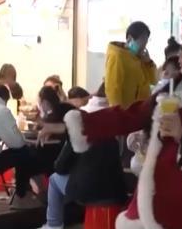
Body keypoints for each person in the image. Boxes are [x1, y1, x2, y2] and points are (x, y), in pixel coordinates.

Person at [40, 20, 182, 229]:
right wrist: (71, 125)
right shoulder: (173, 92)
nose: (180, 55)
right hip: (153, 206)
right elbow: (131, 115)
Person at [40, 90, 126, 229]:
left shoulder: (77, 129)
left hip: (91, 192)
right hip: (117, 191)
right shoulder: (110, 125)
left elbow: (60, 167)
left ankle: (53, 224)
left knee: (54, 179)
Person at [105, 21, 158, 108]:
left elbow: (153, 81)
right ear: (129, 39)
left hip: (140, 109)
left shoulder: (139, 58)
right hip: (126, 111)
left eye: (145, 44)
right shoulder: (117, 56)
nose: (143, 48)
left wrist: (149, 63)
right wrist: (117, 112)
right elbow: (113, 88)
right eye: (141, 43)